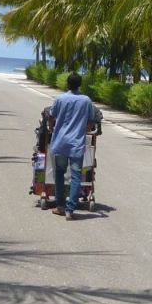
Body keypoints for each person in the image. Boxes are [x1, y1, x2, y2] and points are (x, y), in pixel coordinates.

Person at [46, 73, 99, 219]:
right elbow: (91, 121)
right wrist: (85, 129)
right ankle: (70, 210)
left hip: (61, 143)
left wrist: (51, 128)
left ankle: (60, 206)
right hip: (77, 144)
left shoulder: (60, 99)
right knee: (76, 177)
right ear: (80, 84)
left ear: (67, 84)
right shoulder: (86, 101)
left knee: (59, 173)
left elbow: (51, 116)